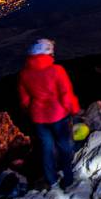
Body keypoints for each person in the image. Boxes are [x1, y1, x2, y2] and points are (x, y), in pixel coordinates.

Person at [18, 38, 81, 189]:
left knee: (46, 149)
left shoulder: (24, 74)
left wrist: (32, 111)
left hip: (38, 118)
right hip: (58, 115)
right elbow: (65, 94)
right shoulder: (56, 70)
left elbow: (25, 100)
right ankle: (68, 178)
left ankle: (51, 180)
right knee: (64, 146)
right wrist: (74, 110)